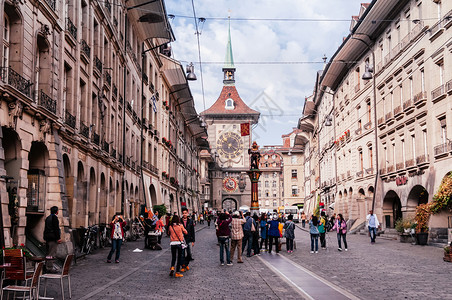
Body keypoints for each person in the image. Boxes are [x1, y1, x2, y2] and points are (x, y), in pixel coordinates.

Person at [43, 206, 62, 272]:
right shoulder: (54, 218)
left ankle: (46, 266)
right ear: (56, 211)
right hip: (53, 238)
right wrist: (58, 238)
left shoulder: (48, 218)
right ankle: (49, 267)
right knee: (51, 253)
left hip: (48, 237)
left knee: (48, 253)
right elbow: (56, 229)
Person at [181, 207, 195, 272]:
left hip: (189, 239)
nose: (184, 214)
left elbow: (192, 231)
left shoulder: (190, 221)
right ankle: (183, 266)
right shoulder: (180, 221)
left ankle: (186, 264)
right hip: (182, 240)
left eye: (185, 213)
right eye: (183, 213)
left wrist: (193, 240)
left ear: (187, 213)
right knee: (182, 254)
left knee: (189, 254)